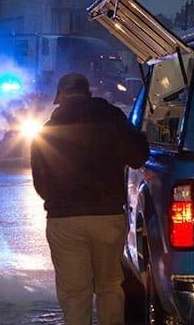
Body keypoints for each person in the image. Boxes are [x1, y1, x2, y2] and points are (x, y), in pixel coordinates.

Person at [31, 73, 149, 325]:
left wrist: (62, 201)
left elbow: (40, 183)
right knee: (109, 286)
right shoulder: (113, 118)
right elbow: (139, 156)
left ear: (61, 96)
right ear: (88, 92)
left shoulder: (47, 130)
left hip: (64, 221)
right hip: (107, 217)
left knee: (75, 293)